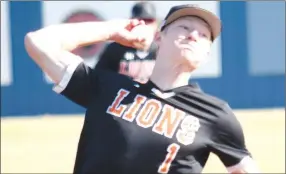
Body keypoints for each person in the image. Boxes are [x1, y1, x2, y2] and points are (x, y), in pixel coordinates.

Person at [24, 4, 260, 174]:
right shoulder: (106, 87)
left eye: (204, 35)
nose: (194, 36)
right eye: (185, 27)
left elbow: (244, 169)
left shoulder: (215, 114)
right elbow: (38, 43)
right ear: (159, 37)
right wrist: (112, 31)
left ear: (207, 54)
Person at [95, 1, 158, 83]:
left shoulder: (162, 49)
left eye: (148, 20)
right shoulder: (116, 48)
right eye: (140, 20)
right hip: (122, 94)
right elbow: (99, 77)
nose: (144, 24)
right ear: (132, 22)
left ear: (155, 23)